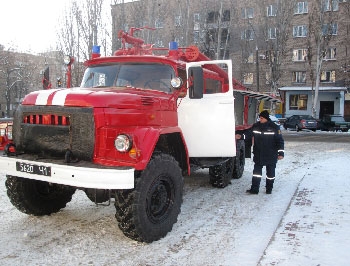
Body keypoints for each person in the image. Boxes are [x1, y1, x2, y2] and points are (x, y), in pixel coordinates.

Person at [237, 110, 284, 194]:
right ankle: (254, 189)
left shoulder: (274, 127)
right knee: (256, 174)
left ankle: (269, 189)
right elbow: (248, 134)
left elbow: (280, 141)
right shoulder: (256, 126)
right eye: (259, 118)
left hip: (271, 154)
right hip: (259, 154)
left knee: (270, 175)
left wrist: (281, 153)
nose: (260, 119)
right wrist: (241, 136)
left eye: (262, 118)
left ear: (266, 118)